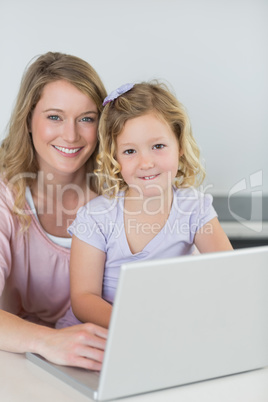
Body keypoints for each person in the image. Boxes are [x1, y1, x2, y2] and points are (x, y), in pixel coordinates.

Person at [68, 81, 233, 329]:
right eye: (130, 151)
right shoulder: (95, 217)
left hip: (170, 330)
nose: (146, 163)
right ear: (114, 158)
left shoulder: (194, 208)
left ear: (178, 144)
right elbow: (83, 299)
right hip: (108, 332)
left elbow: (230, 274)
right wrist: (136, 326)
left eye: (158, 146)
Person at [0, 51, 109, 370]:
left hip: (100, 362)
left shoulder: (121, 194)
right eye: (54, 116)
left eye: (86, 118)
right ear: (28, 120)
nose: (71, 135)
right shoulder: (6, 194)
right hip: (17, 363)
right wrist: (49, 341)